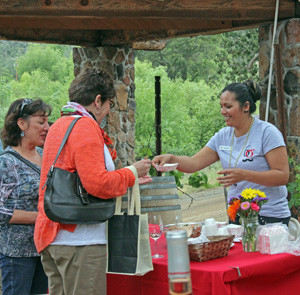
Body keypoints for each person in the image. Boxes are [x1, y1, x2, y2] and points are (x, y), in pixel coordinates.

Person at [34, 67, 151, 295]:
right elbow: (97, 184)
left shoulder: (59, 125)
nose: (109, 111)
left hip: (54, 235)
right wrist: (131, 172)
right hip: (79, 240)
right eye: (109, 104)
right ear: (98, 100)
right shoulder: (85, 126)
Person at [153, 80, 290, 226]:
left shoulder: (267, 133)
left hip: (269, 217)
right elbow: (194, 163)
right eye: (221, 106)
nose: (222, 111)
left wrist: (244, 175)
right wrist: (172, 158)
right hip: (237, 215)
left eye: (228, 106)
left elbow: (282, 176)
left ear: (245, 107)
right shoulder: (222, 136)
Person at [0, 98, 51, 295]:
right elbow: (2, 211)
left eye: (47, 121)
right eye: (41, 122)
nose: (46, 127)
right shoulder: (7, 163)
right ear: (21, 123)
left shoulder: (44, 154)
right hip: (17, 255)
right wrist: (42, 217)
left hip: (44, 249)